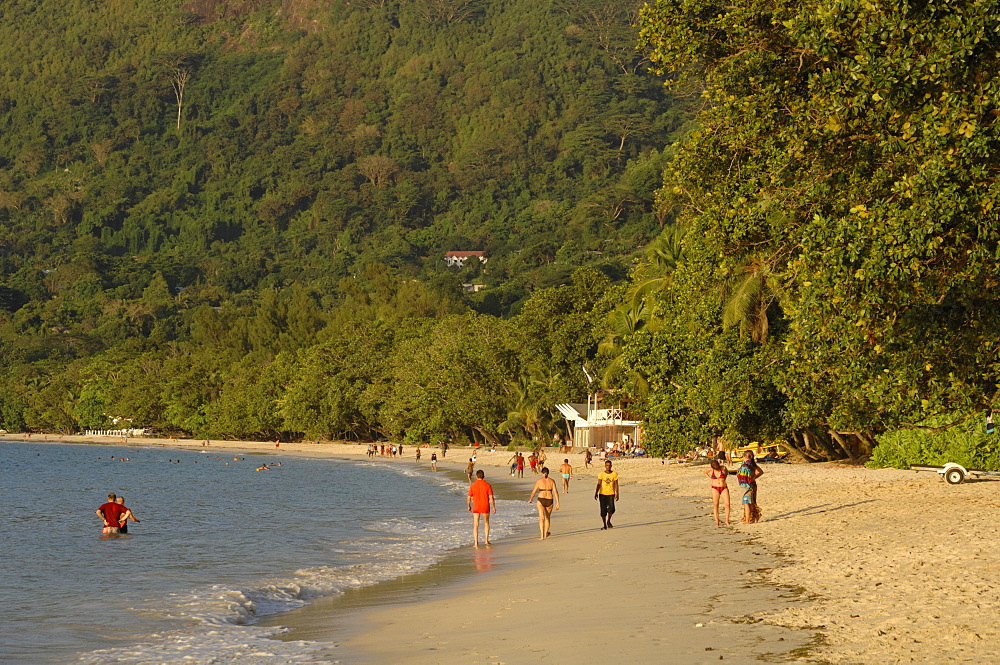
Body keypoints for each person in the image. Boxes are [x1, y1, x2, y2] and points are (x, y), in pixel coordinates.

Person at [528, 467, 560, 539]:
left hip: (541, 499)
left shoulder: (539, 481)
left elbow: (534, 491)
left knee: (541, 517)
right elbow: (555, 492)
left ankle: (542, 536)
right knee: (547, 518)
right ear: (548, 473)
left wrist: (531, 499)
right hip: (549, 499)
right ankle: (546, 534)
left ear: (542, 473)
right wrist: (558, 502)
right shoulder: (552, 481)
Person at [467, 469, 496, 547]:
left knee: (476, 524)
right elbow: (491, 497)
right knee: (486, 522)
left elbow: (469, 497)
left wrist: (469, 506)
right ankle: (486, 540)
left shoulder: (473, 485)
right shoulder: (487, 485)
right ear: (484, 476)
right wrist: (493, 507)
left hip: (476, 506)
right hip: (485, 505)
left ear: (476, 476)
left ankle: (476, 543)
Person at [737, 451, 765, 524]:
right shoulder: (752, 464)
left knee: (746, 502)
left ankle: (747, 520)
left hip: (747, 486)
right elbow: (761, 472)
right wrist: (754, 478)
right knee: (752, 501)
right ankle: (753, 517)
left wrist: (751, 478)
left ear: (744, 457)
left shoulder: (746, 465)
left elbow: (745, 476)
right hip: (753, 484)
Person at [705, 459, 731, 527]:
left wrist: (725, 477)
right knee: (716, 504)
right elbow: (705, 472)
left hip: (723, 487)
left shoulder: (723, 468)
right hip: (715, 488)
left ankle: (727, 520)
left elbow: (727, 472)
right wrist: (710, 479)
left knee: (727, 504)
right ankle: (717, 522)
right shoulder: (711, 469)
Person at [594, 460, 619, 529]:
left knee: (612, 509)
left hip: (611, 494)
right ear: (605, 466)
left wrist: (617, 493)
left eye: (609, 465)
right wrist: (596, 493)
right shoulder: (601, 474)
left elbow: (616, 484)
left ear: (611, 466)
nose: (608, 467)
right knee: (603, 510)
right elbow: (599, 484)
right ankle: (604, 524)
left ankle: (608, 521)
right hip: (602, 494)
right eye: (607, 465)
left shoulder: (614, 474)